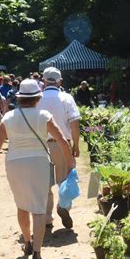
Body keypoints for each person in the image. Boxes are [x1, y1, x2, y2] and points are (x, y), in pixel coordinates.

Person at [0, 79, 74, 259]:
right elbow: (62, 141)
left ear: (19, 98)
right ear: (38, 97)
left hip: (14, 163)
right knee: (39, 208)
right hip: (38, 162)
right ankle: (37, 253)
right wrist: (70, 165)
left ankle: (27, 242)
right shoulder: (44, 115)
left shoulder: (8, 117)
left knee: (22, 204)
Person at [37, 67, 80, 229]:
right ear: (60, 81)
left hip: (41, 145)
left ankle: (47, 217)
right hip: (62, 145)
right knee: (65, 180)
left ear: (44, 81)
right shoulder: (66, 98)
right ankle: (63, 207)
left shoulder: (37, 98)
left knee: (44, 184)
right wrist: (75, 144)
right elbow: (74, 124)